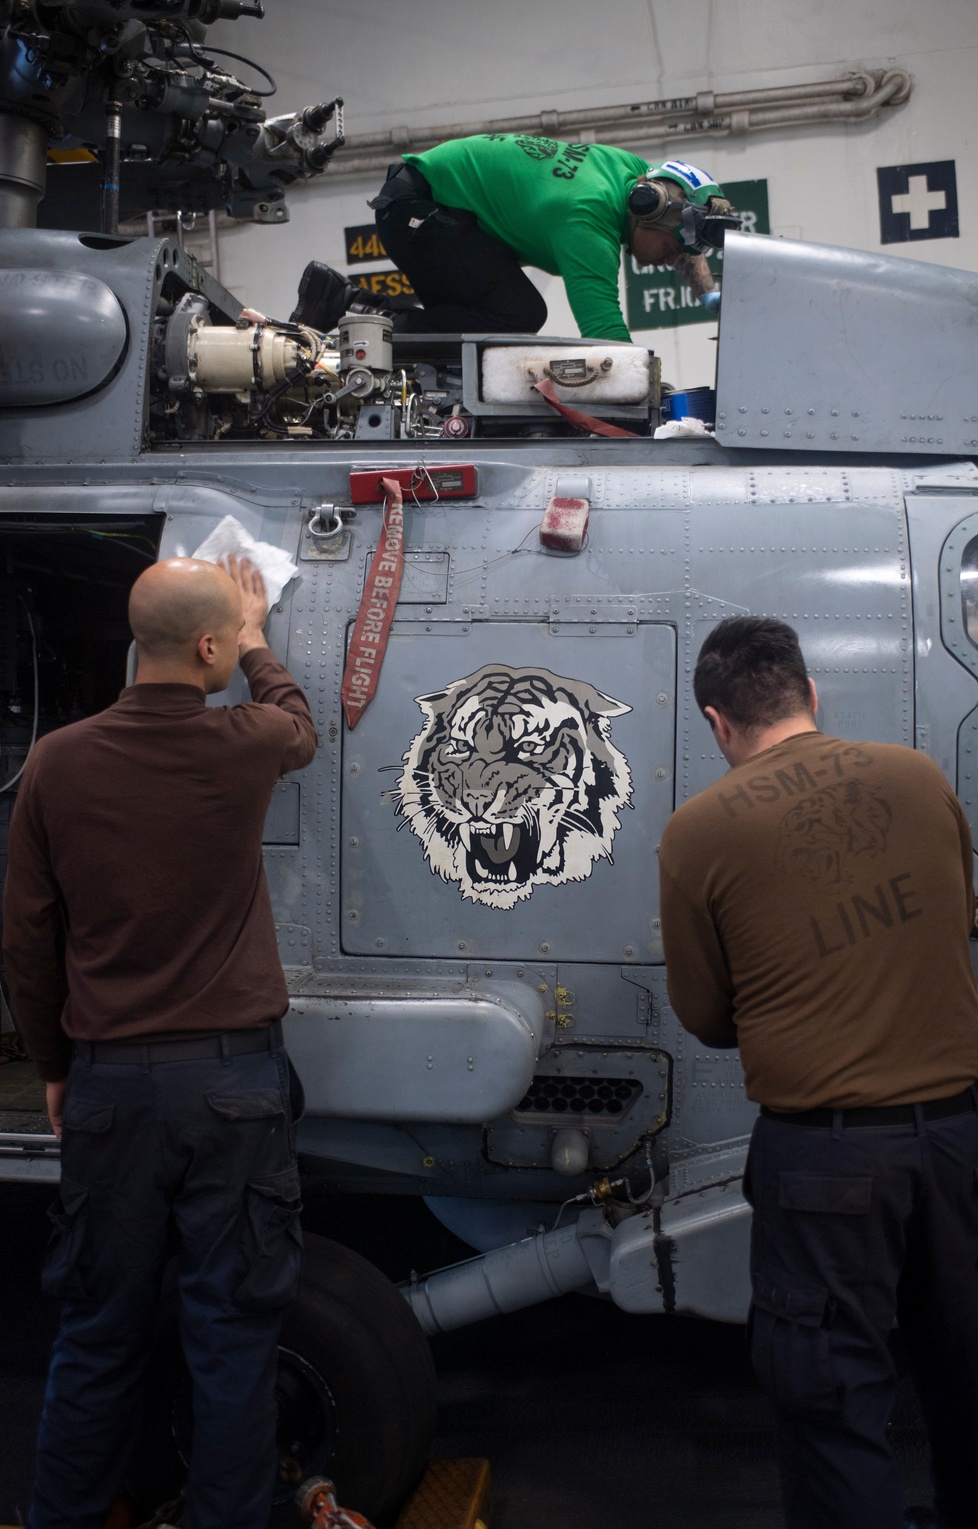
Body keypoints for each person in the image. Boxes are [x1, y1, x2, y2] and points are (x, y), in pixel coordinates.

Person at [657, 616, 978, 1529]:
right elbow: (952, 926)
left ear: (717, 722)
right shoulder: (922, 778)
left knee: (834, 1403)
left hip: (828, 1164)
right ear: (812, 695)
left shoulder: (697, 833)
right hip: (960, 1140)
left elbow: (704, 1016)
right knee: (970, 1378)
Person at [3, 555, 318, 1529]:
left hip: (110, 1089)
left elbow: (25, 938)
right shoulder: (246, 741)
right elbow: (301, 723)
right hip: (234, 1087)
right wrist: (263, 637)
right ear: (211, 645)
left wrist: (56, 1067)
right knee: (229, 1342)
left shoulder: (56, 760)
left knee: (96, 1335)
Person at [290, 139, 738, 341]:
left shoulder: (634, 176)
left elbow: (680, 226)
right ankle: (350, 310)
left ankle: (349, 304)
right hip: (417, 209)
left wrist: (709, 294)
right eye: (673, 250)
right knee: (514, 315)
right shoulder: (586, 222)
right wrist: (654, 394)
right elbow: (605, 338)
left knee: (503, 317)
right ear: (646, 210)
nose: (671, 260)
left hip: (439, 203)